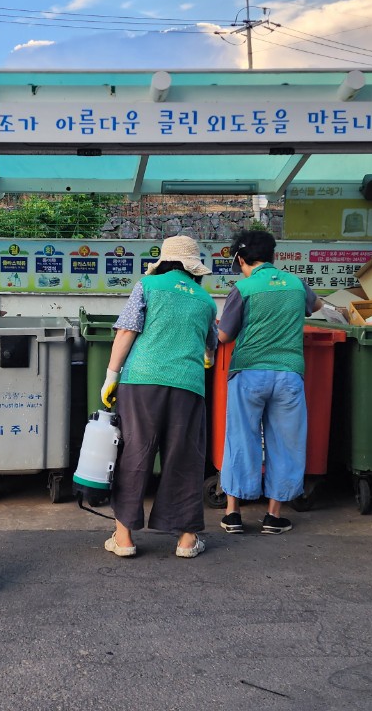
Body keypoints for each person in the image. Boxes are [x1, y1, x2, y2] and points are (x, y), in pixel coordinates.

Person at [101, 235, 217, 559]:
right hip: (188, 386)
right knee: (184, 457)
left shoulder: (147, 287)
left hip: (142, 382)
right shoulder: (206, 301)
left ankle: (123, 538)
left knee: (135, 453)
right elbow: (211, 348)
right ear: (194, 268)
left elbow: (126, 331)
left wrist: (111, 375)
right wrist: (201, 356)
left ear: (164, 262)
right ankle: (186, 540)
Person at [217, 230, 324, 535]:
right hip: (289, 374)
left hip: (249, 373)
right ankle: (274, 516)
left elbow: (225, 335)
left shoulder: (244, 288)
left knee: (241, 439)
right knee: (286, 443)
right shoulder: (296, 284)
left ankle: (233, 514)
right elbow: (316, 307)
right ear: (273, 256)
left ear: (240, 259)